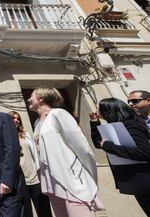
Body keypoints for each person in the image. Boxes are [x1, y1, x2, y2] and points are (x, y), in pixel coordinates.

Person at [27, 87, 102, 217]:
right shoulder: (37, 123)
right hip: (51, 180)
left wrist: (90, 175)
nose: (28, 99)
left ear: (41, 99)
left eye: (32, 96)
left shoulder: (58, 114)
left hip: (70, 178)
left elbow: (82, 147)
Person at [90, 98, 150, 216]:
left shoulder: (131, 125)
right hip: (136, 181)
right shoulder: (115, 126)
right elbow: (99, 144)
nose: (97, 110)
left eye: (99, 108)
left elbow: (145, 152)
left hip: (145, 179)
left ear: (108, 110)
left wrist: (110, 147)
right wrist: (94, 122)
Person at [8, 111, 52, 217]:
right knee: (26, 212)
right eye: (13, 118)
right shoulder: (6, 137)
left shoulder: (26, 134)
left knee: (44, 209)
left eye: (18, 119)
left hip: (34, 178)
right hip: (19, 181)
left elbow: (35, 154)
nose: (16, 120)